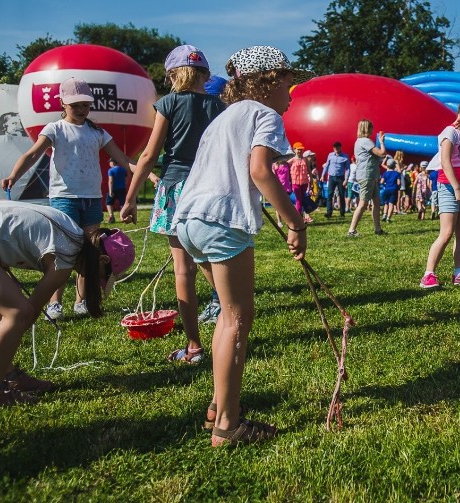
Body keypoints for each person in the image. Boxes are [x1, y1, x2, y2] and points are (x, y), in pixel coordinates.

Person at [173, 45, 310, 447]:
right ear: (267, 81)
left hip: (190, 220)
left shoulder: (223, 117)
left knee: (226, 317)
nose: (292, 91)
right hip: (220, 220)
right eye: (288, 81)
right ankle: (228, 427)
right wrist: (295, 222)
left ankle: (218, 407)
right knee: (237, 319)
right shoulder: (265, 114)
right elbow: (259, 171)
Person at [2, 77, 150, 320]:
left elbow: (124, 159)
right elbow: (32, 154)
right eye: (75, 105)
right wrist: (13, 175)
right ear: (62, 103)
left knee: (89, 253)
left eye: (85, 105)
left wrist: (150, 176)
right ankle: (55, 303)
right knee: (62, 252)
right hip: (64, 198)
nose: (81, 110)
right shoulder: (54, 129)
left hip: (92, 199)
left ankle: (81, 301)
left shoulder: (97, 132)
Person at [121, 45, 226, 355]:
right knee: (208, 257)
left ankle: (194, 346)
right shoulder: (219, 106)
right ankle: (233, 313)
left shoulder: (167, 104)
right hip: (209, 187)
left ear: (171, 75)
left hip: (176, 189)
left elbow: (150, 155)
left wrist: (129, 199)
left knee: (184, 270)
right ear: (205, 74)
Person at [0, 201, 134, 407]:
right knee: (17, 312)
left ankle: (8, 374)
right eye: (103, 277)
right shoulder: (65, 257)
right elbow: (30, 313)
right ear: (103, 260)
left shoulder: (73, 235)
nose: (98, 282)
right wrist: (12, 334)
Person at [419, 96, 460, 289]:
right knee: (446, 233)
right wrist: (456, 188)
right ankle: (429, 274)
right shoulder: (450, 132)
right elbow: (445, 162)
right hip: (449, 187)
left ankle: (459, 272)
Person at [347, 120, 388, 236]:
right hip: (367, 175)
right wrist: (382, 142)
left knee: (376, 202)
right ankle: (351, 230)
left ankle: (378, 229)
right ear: (366, 128)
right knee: (363, 204)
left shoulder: (359, 141)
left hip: (371, 175)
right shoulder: (366, 141)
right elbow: (382, 153)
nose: (372, 130)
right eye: (371, 127)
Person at [322, 141, 351, 218]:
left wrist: (346, 179)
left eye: (337, 147)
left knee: (341, 195)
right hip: (331, 177)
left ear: (340, 147)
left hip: (340, 178)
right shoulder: (330, 155)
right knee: (330, 195)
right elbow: (326, 165)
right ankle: (329, 213)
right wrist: (322, 175)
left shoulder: (345, 157)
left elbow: (347, 169)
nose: (336, 148)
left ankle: (342, 212)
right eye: (334, 147)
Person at [289, 143, 312, 224]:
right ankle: (298, 219)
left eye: (301, 149)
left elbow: (309, 170)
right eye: (298, 149)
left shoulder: (305, 159)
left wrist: (311, 180)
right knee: (299, 200)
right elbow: (284, 167)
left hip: (304, 182)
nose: (300, 151)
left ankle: (303, 217)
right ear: (294, 150)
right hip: (295, 183)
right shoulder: (292, 160)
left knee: (303, 200)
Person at [105, 158, 128, 224]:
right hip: (122, 188)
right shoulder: (123, 169)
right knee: (122, 203)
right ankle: (124, 217)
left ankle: (111, 216)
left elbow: (111, 181)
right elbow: (126, 180)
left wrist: (110, 191)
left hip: (114, 189)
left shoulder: (111, 170)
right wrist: (124, 186)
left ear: (113, 162)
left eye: (110, 162)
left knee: (109, 203)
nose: (109, 163)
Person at [380, 158, 401, 222]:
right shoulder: (396, 173)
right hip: (394, 189)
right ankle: (388, 218)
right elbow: (398, 183)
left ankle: (384, 214)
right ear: (394, 165)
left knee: (386, 203)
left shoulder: (385, 173)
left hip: (386, 189)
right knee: (391, 204)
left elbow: (381, 182)